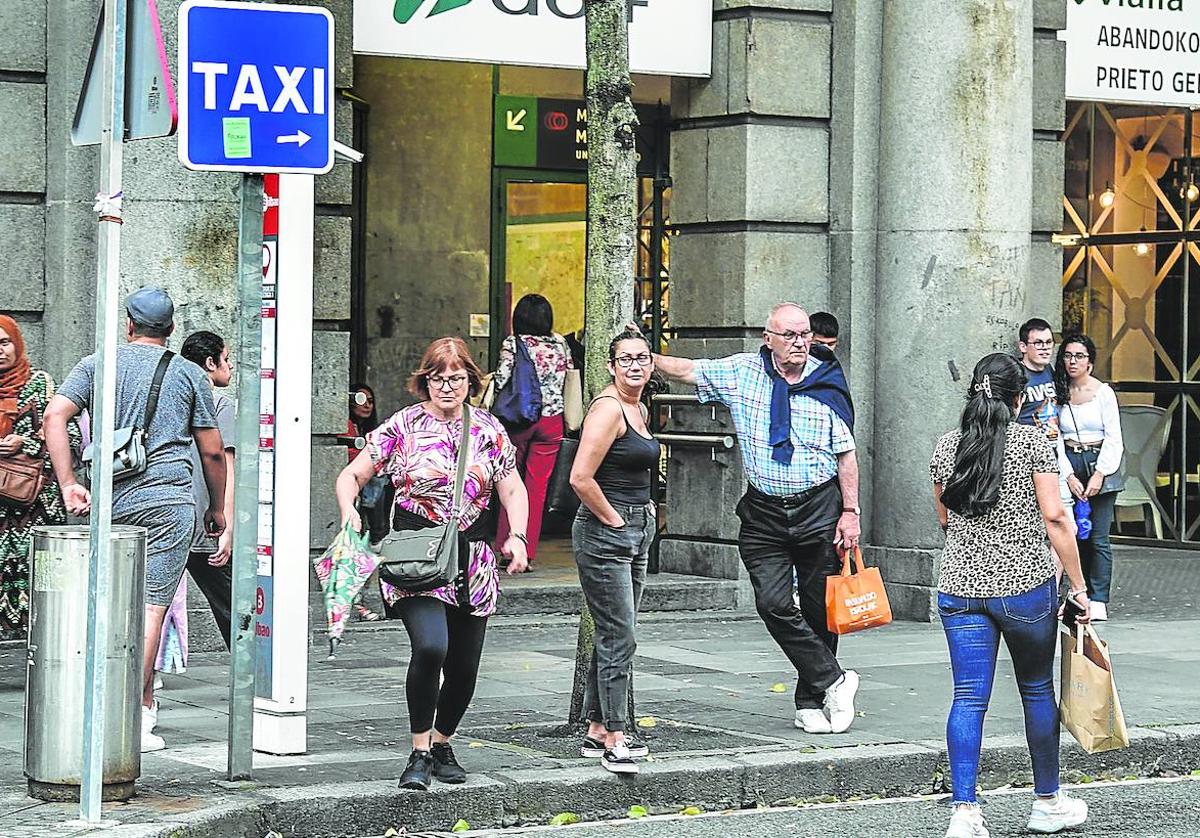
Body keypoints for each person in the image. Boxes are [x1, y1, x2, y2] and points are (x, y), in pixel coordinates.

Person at [652, 302, 862, 734]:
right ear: (768, 339)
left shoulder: (826, 381)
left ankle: (809, 702)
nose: (800, 343)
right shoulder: (742, 372)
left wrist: (850, 512)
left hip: (819, 507)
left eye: (804, 334)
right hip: (764, 511)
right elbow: (688, 370)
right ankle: (835, 680)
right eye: (790, 335)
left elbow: (846, 454)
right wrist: (641, 356)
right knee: (773, 602)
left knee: (821, 609)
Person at [334, 337, 530, 792]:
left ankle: (443, 743)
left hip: (473, 557)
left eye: (457, 379)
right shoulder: (402, 426)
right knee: (431, 647)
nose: (447, 387)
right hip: (416, 555)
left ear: (470, 382)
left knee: (464, 665)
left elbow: (512, 488)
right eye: (438, 379)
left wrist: (516, 536)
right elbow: (352, 475)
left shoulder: (487, 430)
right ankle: (419, 750)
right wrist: (349, 514)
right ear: (425, 381)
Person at [43, 287, 227, 754]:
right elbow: (211, 451)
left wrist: (68, 483)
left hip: (109, 502)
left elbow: (54, 417)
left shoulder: (96, 364)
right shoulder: (189, 374)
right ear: (170, 329)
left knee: (106, 604)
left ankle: (112, 709)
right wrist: (217, 508)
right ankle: (125, 716)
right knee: (151, 609)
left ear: (129, 323)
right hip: (168, 502)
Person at [930, 352, 1092, 838]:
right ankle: (1046, 802)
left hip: (959, 588)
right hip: (1024, 588)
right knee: (1036, 689)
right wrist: (1080, 587)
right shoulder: (1032, 444)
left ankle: (965, 812)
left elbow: (943, 518)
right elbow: (1057, 518)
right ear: (1020, 397)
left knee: (967, 698)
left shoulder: (948, 446)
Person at [568, 329, 661, 774]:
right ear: (610, 365)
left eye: (642, 358)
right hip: (608, 530)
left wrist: (642, 518)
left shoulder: (638, 408)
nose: (635, 366)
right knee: (619, 635)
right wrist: (614, 519)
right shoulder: (607, 410)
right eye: (625, 359)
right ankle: (617, 738)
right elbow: (580, 478)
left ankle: (596, 728)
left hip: (635, 528)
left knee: (614, 631)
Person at [0, 316, 75, 641]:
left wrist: (25, 442)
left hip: (38, 510)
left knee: (46, 586)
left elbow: (71, 434)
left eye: (4, 343)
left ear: (17, 342)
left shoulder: (41, 384)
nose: (0, 351)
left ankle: (50, 663)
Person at [494, 294, 574, 566]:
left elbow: (503, 378)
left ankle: (507, 545)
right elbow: (568, 376)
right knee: (536, 489)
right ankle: (526, 552)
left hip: (519, 419)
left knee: (509, 482)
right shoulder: (561, 343)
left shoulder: (513, 344)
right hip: (552, 421)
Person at [1054, 334, 1123, 623]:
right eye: (1068, 355)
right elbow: (1054, 435)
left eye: (1079, 356)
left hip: (1100, 462)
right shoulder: (1058, 391)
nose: (1073, 361)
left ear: (1090, 362)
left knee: (1098, 537)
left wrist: (1099, 474)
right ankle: (1073, 594)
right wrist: (1067, 474)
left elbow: (1114, 437)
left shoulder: (1103, 393)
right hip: (1070, 459)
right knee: (1071, 533)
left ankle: (1098, 598)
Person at [179, 330, 237, 650]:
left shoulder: (170, 399)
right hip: (205, 521)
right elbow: (223, 462)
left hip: (167, 514)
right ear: (210, 362)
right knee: (233, 606)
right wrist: (225, 524)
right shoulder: (219, 404)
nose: (231, 367)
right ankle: (255, 676)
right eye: (227, 359)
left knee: (151, 604)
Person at [1015, 318, 1059, 442]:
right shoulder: (1016, 374)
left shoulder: (1049, 369)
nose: (1045, 348)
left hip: (1052, 445)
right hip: (1025, 448)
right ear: (1023, 347)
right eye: (1038, 343)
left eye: (1049, 342)